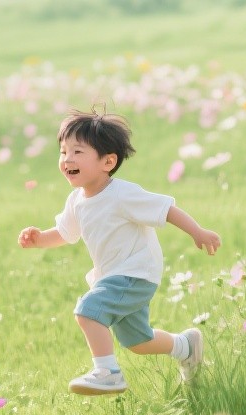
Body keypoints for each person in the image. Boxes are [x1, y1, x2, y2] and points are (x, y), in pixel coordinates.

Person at [17, 109, 221, 395]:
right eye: (63, 152)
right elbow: (65, 233)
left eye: (77, 151)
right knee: (138, 341)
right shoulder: (76, 200)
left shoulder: (121, 194)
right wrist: (39, 239)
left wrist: (197, 231)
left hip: (135, 272)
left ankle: (108, 373)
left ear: (108, 161)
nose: (67, 159)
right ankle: (185, 346)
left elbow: (165, 209)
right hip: (114, 275)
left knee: (88, 311)